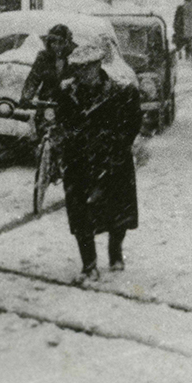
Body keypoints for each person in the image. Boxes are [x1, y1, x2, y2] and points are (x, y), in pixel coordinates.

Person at [50, 41, 142, 279]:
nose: (82, 73)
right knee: (80, 214)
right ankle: (88, 264)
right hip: (78, 161)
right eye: (78, 68)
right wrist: (63, 141)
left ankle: (115, 253)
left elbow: (132, 125)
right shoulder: (65, 92)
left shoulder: (123, 92)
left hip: (112, 160)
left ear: (99, 65)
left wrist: (114, 144)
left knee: (117, 212)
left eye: (87, 67)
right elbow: (59, 123)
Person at [18, 24, 75, 109]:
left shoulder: (74, 58)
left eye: (61, 42)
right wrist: (26, 97)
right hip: (47, 101)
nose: (56, 46)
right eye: (53, 42)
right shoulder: (43, 57)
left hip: (69, 102)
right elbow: (33, 79)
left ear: (67, 43)